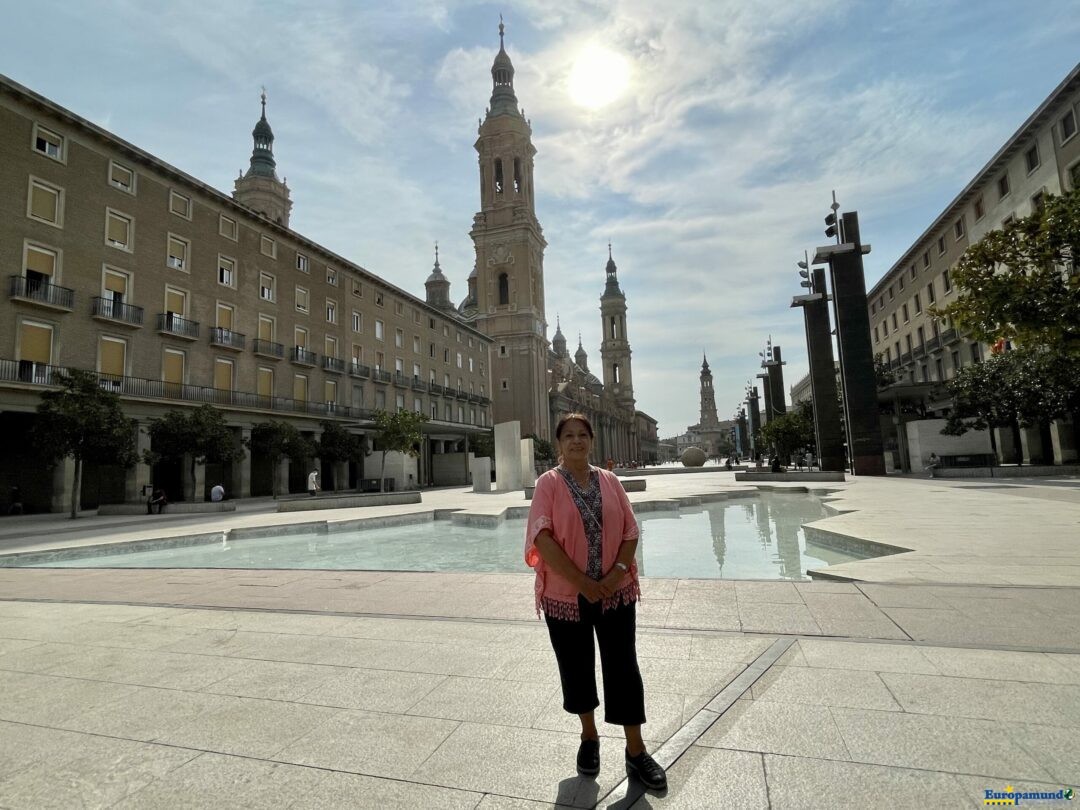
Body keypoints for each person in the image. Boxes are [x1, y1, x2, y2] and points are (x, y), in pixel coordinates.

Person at [524, 412, 667, 791]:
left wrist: (618, 572)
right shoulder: (548, 485)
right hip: (567, 595)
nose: (576, 441)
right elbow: (542, 537)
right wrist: (583, 583)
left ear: (591, 440)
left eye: (582, 435)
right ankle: (589, 737)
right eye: (568, 436)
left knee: (623, 667)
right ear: (558, 444)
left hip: (615, 592)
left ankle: (636, 751)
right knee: (576, 667)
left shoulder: (610, 481)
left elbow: (631, 529)